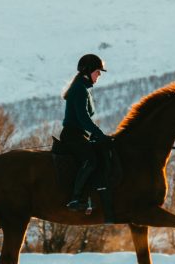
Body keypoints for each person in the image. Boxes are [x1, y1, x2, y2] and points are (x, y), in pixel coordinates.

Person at [61, 54, 113, 222]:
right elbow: (83, 118)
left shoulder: (84, 88)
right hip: (72, 135)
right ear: (88, 70)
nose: (99, 75)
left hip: (80, 134)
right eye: (98, 71)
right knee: (90, 159)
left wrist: (97, 136)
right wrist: (99, 135)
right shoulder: (79, 89)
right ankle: (76, 198)